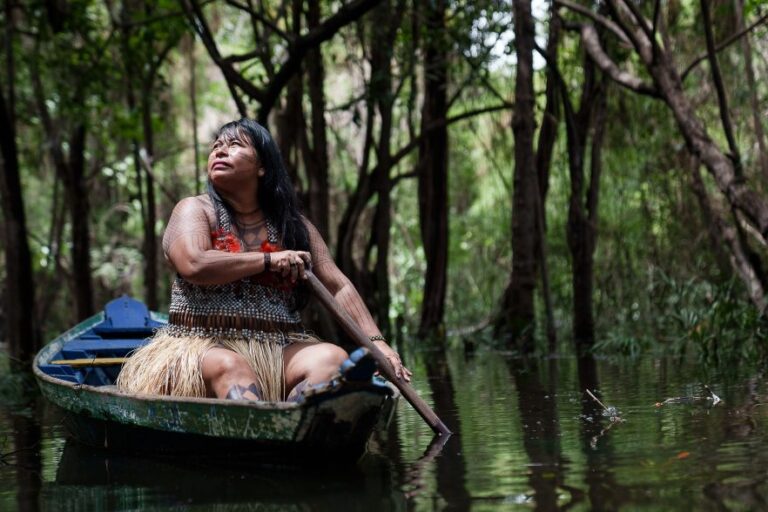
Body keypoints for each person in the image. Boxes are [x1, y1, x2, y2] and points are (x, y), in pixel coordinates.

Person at [117, 118, 410, 401]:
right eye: (216, 145)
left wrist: (377, 343)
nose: (219, 150)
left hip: (278, 348)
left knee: (332, 358)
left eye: (234, 145)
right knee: (231, 367)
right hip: (202, 346)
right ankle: (264, 427)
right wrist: (268, 261)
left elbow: (337, 286)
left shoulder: (293, 228)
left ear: (262, 167)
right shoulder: (194, 210)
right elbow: (194, 264)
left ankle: (296, 422)